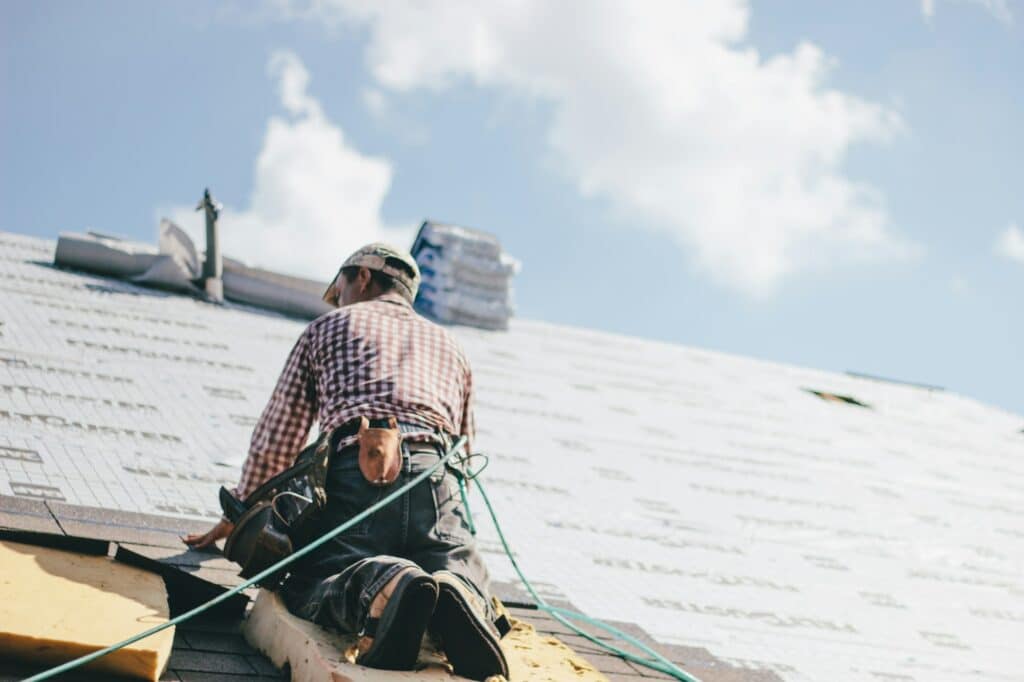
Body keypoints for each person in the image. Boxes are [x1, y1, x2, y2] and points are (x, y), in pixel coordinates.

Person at [184, 243, 508, 680]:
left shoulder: (329, 327)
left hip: (356, 470)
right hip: (437, 477)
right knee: (451, 562)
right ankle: (458, 591)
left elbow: (278, 437)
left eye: (339, 288)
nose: (337, 298)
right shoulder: (452, 346)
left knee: (316, 575)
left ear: (361, 278)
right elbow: (466, 449)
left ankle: (387, 584)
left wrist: (241, 511)